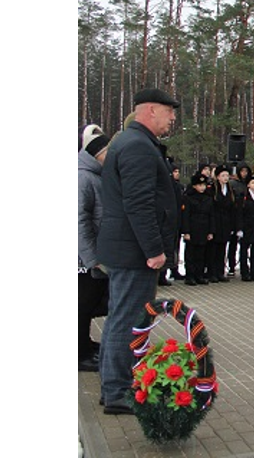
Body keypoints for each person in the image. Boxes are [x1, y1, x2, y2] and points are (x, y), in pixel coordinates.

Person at [96, 88, 180, 415]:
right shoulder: (138, 147)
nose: (172, 118)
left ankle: (112, 385)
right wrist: (154, 250)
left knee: (121, 317)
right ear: (150, 110)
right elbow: (139, 203)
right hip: (134, 252)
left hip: (127, 249)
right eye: (168, 111)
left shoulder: (132, 143)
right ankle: (118, 391)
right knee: (128, 320)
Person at [78, 128, 111, 372]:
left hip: (94, 253)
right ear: (95, 153)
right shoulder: (82, 177)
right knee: (81, 304)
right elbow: (78, 221)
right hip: (83, 258)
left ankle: (85, 344)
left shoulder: (96, 175)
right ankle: (78, 353)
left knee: (89, 303)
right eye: (106, 152)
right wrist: (92, 258)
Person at [181, 174, 215, 286]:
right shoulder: (188, 197)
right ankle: (190, 275)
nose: (202, 187)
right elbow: (185, 215)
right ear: (194, 186)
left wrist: (211, 231)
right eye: (200, 185)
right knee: (191, 254)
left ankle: (199, 275)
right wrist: (186, 231)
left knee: (201, 254)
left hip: (204, 228)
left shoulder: (208, 198)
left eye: (204, 185)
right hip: (192, 228)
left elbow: (211, 215)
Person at [208, 165, 238, 283]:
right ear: (217, 177)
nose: (225, 178)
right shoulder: (213, 189)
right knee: (213, 249)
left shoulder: (230, 189)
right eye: (223, 176)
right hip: (216, 221)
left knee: (222, 248)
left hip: (226, 222)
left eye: (227, 175)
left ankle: (220, 272)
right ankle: (212, 272)